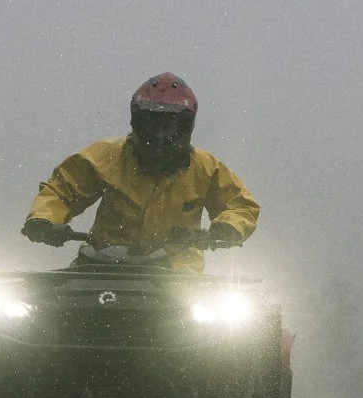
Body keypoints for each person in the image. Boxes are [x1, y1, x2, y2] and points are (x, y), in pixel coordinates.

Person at [21, 73, 258, 269]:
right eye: (151, 124)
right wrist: (44, 220)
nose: (159, 134)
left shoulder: (205, 168)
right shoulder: (106, 156)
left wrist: (228, 228)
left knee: (237, 325)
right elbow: (62, 190)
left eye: (168, 125)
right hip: (100, 264)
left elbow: (239, 205)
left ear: (185, 127)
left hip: (177, 275)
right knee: (38, 316)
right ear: (137, 121)